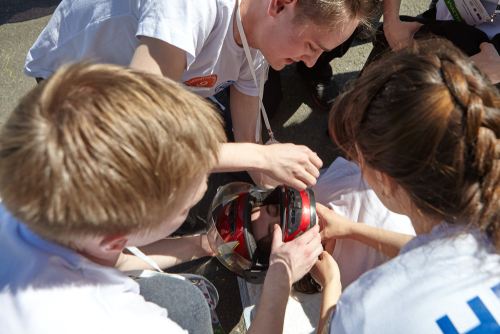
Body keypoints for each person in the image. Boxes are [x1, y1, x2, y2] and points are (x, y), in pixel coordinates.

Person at [0, 62, 323, 334]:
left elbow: (111, 258)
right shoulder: (124, 321)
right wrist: (280, 276)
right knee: (187, 305)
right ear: (118, 237)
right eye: (185, 207)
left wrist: (204, 244)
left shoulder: (30, 199)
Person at [23, 0, 376, 187]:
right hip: (74, 85)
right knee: (143, 181)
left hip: (148, 87)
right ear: (280, 4)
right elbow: (136, 139)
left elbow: (248, 132)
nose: (312, 61)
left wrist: (271, 176)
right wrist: (260, 159)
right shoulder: (189, 8)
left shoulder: (259, 37)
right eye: (312, 45)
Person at [311, 38, 500, 334]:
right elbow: (434, 251)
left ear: (386, 181)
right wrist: (351, 229)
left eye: (357, 159)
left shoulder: (366, 309)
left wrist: (332, 284)